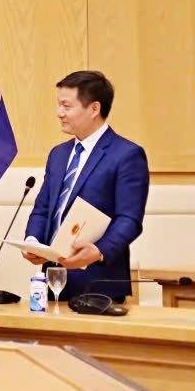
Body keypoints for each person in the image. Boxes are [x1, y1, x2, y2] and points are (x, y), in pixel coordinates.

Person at [22, 71, 149, 302]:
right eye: (58, 105)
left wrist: (99, 251)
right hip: (54, 281)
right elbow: (43, 208)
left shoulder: (127, 155)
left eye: (66, 106)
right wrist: (32, 241)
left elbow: (129, 219)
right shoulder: (58, 154)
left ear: (94, 109)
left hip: (100, 284)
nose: (59, 113)